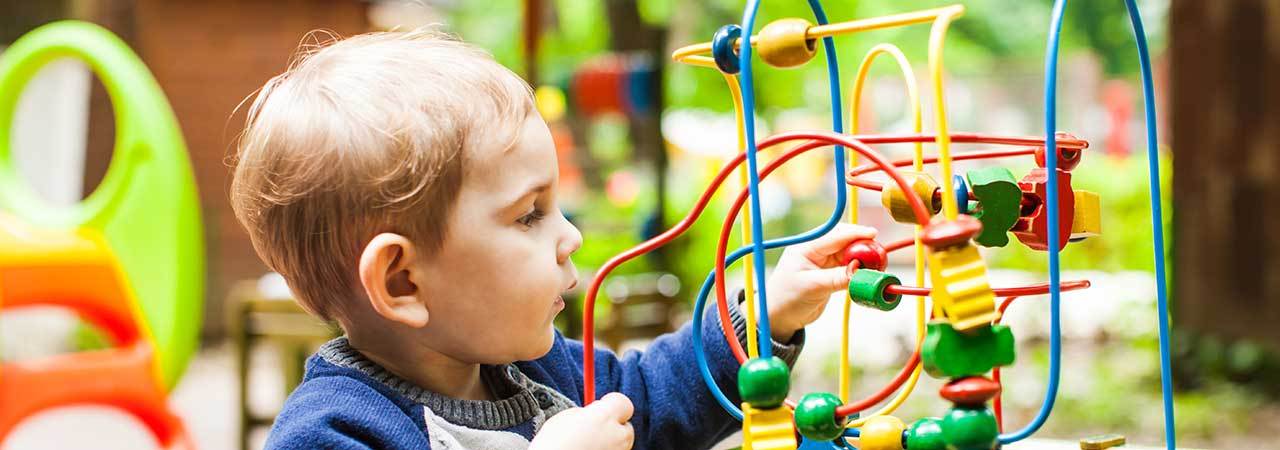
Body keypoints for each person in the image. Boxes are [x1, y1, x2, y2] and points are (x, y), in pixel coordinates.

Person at [229, 28, 874, 449]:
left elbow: (651, 399)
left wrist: (759, 320)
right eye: (528, 215)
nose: (569, 235)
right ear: (403, 281)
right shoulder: (335, 432)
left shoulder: (535, 367)